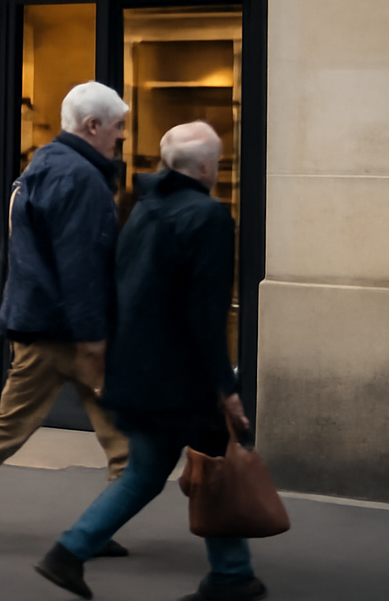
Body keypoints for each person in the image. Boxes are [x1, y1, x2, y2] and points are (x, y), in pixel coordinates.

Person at [34, 121, 265, 601]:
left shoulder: (141, 209)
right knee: (213, 469)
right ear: (207, 168)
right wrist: (228, 391)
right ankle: (230, 574)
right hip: (182, 380)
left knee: (147, 473)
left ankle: (71, 550)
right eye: (218, 162)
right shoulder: (208, 218)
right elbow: (206, 316)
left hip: (137, 373)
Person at [0, 81, 132, 552]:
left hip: (40, 321)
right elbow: (82, 265)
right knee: (118, 432)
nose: (122, 137)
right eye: (118, 127)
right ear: (92, 126)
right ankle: (93, 525)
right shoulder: (81, 179)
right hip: (66, 332)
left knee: (29, 421)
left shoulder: (44, 165)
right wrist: (93, 336)